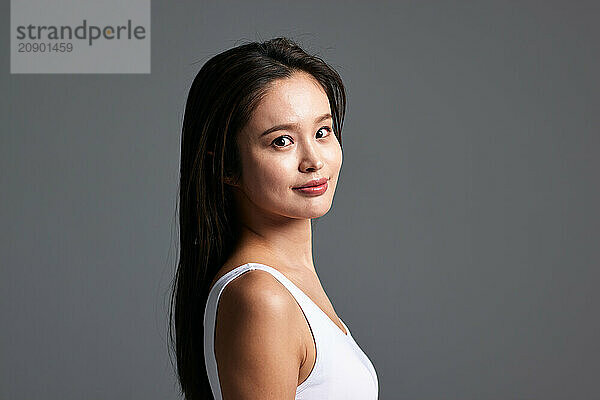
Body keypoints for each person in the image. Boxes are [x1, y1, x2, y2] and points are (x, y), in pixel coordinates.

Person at [169, 37, 379, 399]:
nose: (314, 160)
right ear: (225, 166)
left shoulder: (286, 285)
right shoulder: (262, 297)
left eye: (322, 131)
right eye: (281, 141)